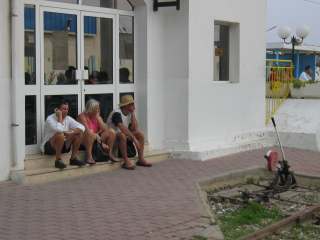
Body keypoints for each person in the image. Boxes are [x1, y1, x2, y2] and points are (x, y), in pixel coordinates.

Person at [107, 95, 152, 170]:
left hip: (122, 136)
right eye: (131, 104)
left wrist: (133, 113)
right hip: (112, 138)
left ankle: (141, 159)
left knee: (140, 134)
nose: (133, 106)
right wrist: (134, 139)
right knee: (122, 135)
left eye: (133, 104)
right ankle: (126, 160)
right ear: (126, 105)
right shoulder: (117, 113)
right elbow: (122, 128)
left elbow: (134, 128)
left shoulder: (129, 113)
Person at [42, 99, 86, 169]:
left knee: (79, 134)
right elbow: (59, 130)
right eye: (64, 109)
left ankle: (73, 159)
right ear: (57, 110)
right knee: (60, 135)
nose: (66, 111)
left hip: (63, 145)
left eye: (67, 109)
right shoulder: (50, 119)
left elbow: (82, 127)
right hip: (49, 147)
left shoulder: (68, 118)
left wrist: (72, 132)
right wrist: (60, 117)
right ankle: (58, 160)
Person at [78, 99, 117, 164]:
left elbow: (105, 129)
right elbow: (88, 131)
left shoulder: (96, 116)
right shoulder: (82, 116)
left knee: (111, 132)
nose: (99, 110)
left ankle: (110, 154)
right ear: (91, 109)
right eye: (97, 109)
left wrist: (98, 118)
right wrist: (102, 143)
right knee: (91, 134)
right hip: (85, 140)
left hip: (96, 139)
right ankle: (89, 157)